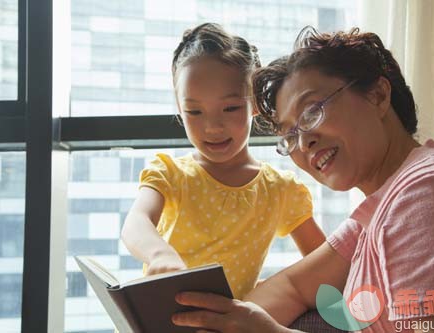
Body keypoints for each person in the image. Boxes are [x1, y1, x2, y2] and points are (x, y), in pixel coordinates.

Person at [171, 27, 434, 332]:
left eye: (311, 112)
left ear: (377, 94)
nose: (303, 142)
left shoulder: (427, 195)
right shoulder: (378, 210)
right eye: (290, 135)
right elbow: (292, 286)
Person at [121, 23, 326, 300]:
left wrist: (273, 290)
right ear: (179, 108)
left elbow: (325, 262)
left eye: (230, 108)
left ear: (254, 104)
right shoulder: (170, 174)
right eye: (195, 111)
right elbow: (136, 222)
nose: (213, 127)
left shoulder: (279, 190)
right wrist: (159, 255)